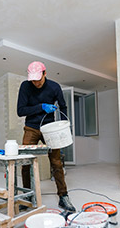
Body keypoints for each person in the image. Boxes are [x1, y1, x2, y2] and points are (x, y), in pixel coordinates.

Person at [17, 61, 76, 212]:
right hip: (31, 127)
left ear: (45, 73)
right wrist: (41, 106)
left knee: (56, 162)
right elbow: (20, 110)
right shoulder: (25, 86)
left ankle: (63, 196)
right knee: (25, 162)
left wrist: (64, 125)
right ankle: (28, 195)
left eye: (39, 79)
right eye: (33, 80)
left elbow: (63, 106)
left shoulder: (54, 87)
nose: (36, 83)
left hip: (50, 129)